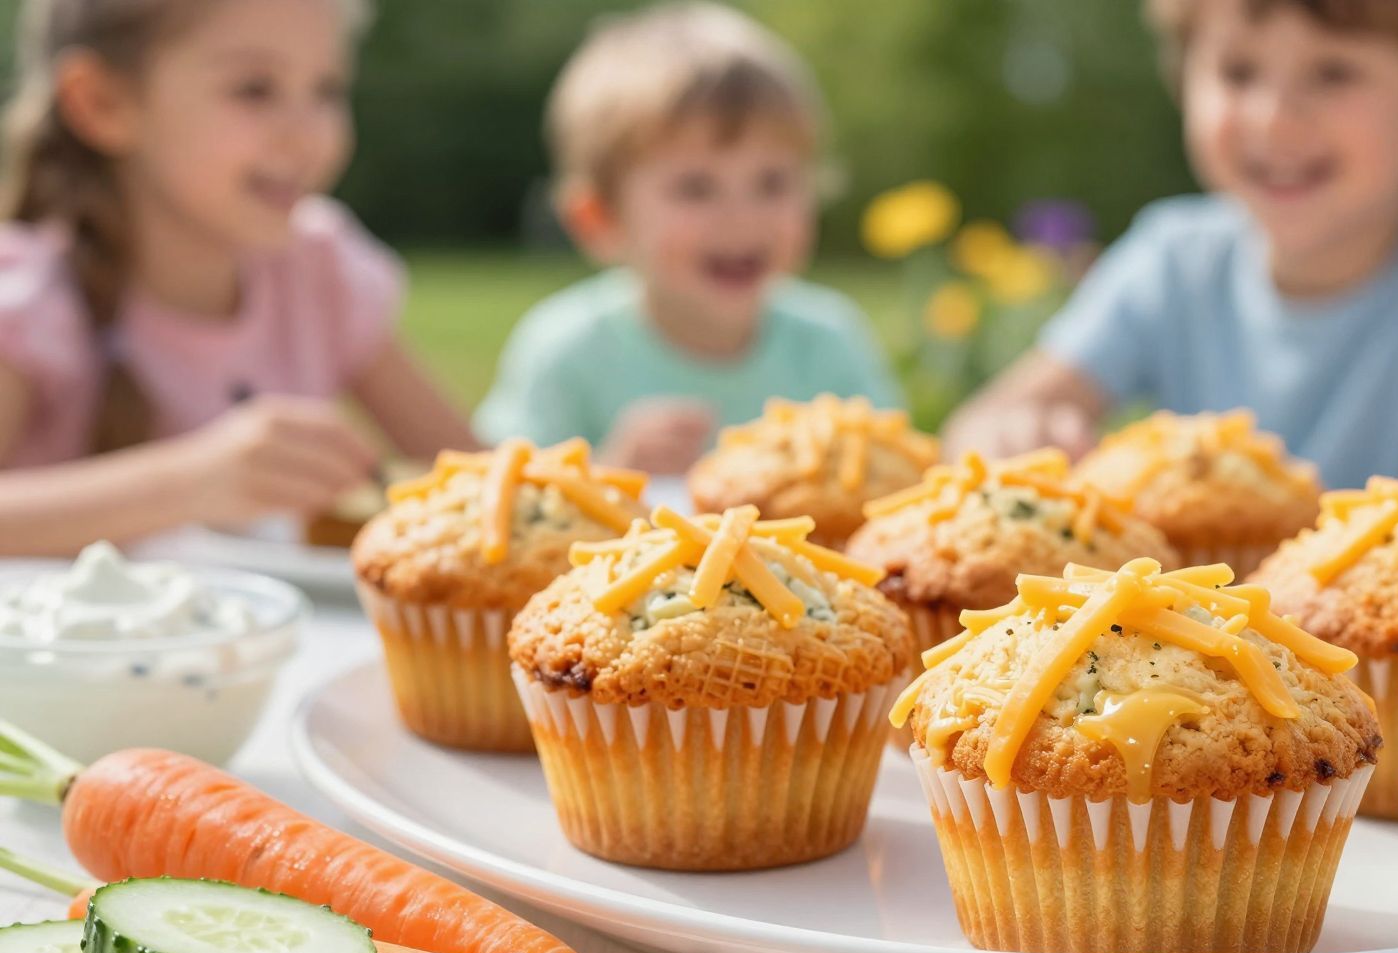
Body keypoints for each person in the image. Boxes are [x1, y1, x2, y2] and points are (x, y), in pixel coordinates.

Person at [944, 0, 1398, 489]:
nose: (1274, 116)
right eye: (1238, 72)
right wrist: (1014, 436)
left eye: (1333, 73)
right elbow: (973, 430)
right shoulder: (1172, 259)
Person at [0, 0, 477, 556]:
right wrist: (189, 483)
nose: (308, 135)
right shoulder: (32, 301)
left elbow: (475, 477)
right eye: (254, 89)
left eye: (325, 90)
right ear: (102, 103)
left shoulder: (317, 270)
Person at [474, 3, 900, 475]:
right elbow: (509, 498)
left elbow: (891, 479)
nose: (743, 218)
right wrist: (609, 470)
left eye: (772, 183)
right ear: (600, 220)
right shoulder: (566, 350)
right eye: (696, 188)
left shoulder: (830, 344)